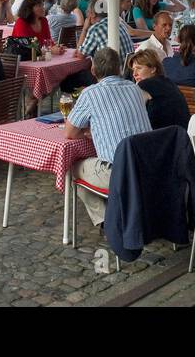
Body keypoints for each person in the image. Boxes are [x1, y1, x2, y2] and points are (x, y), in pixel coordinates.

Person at [65, 47, 151, 225]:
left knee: (72, 166)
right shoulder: (134, 89)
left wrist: (87, 131)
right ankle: (118, 213)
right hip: (147, 167)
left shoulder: (90, 94)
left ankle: (106, 220)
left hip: (118, 173)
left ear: (93, 70)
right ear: (119, 68)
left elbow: (70, 133)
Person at [127, 48, 189, 130]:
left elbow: (132, 115)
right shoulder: (168, 82)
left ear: (153, 69)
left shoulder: (145, 85)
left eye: (139, 68)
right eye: (133, 70)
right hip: (181, 136)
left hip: (161, 137)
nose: (134, 74)